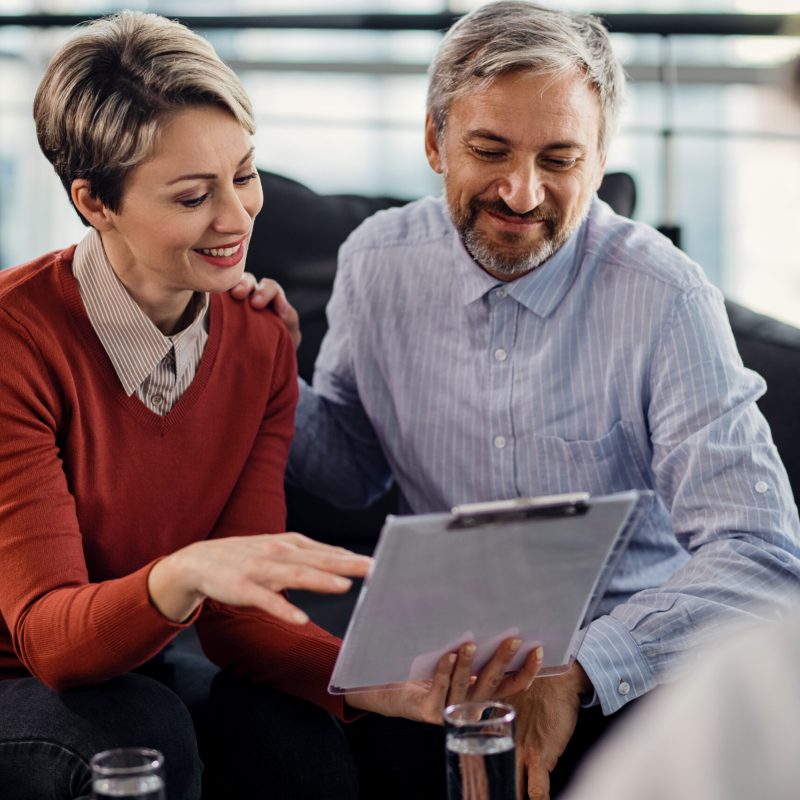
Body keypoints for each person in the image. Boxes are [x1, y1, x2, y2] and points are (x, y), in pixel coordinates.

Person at [237, 2, 800, 798]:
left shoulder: (665, 296)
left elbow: (762, 555)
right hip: (443, 656)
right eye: (489, 150)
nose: (523, 192)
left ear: (600, 159)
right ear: (434, 141)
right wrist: (257, 372)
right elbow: (353, 471)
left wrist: (579, 670)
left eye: (560, 159)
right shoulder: (376, 263)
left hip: (624, 660)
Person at [0, 12, 542, 800]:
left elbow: (239, 622)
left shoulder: (258, 340)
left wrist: (386, 685)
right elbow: (50, 641)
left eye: (244, 175)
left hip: (134, 660)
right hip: (22, 669)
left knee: (291, 736)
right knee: (137, 731)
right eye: (193, 196)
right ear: (95, 202)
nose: (236, 218)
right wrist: (185, 571)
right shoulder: (18, 341)